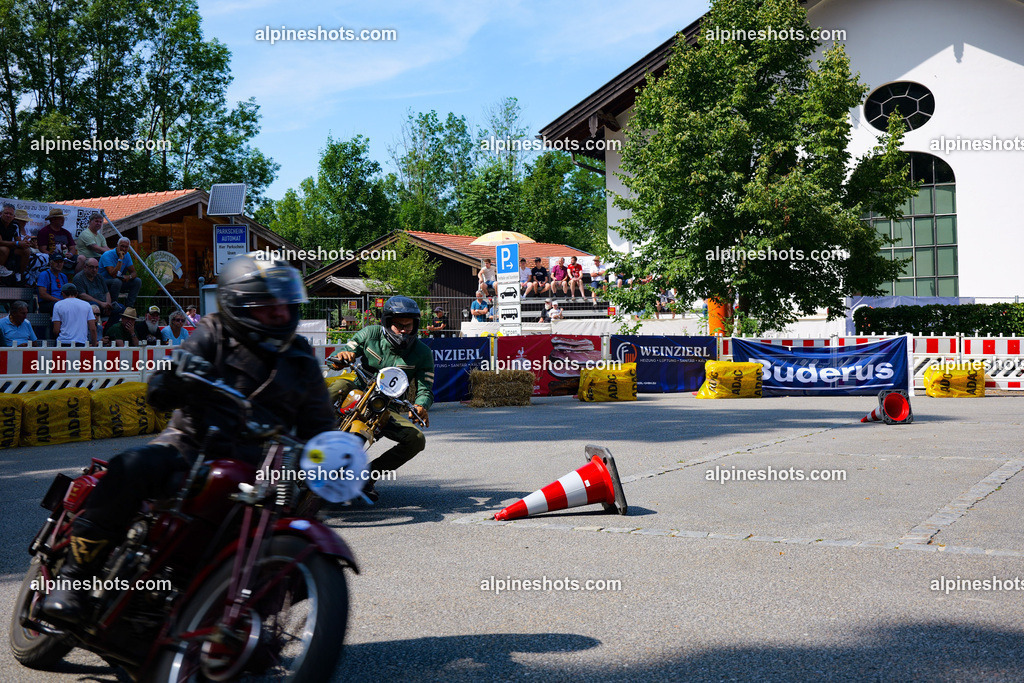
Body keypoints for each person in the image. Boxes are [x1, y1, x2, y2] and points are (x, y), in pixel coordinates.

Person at [41, 252, 337, 625]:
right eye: (267, 304)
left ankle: (237, 624)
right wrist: (174, 378)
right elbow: (167, 379)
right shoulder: (214, 331)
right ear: (239, 303)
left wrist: (334, 455)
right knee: (132, 466)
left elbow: (320, 424)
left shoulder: (300, 357)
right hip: (191, 446)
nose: (280, 312)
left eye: (285, 302)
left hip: (260, 469)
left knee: (297, 543)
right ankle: (73, 579)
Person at [328, 296, 433, 501]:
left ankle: (367, 476)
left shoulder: (423, 352)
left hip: (386, 406)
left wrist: (421, 405)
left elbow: (425, 389)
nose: (403, 331)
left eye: (408, 326)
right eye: (398, 325)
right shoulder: (370, 333)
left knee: (416, 439)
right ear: (387, 322)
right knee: (339, 386)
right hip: (357, 388)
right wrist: (341, 358)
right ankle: (300, 430)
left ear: (415, 325)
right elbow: (344, 352)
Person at [37, 208, 85, 273]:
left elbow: (73, 247)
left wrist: (70, 254)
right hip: (52, 258)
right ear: (53, 220)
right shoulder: (44, 232)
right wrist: (53, 255)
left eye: (63, 218)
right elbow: (42, 249)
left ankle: (76, 277)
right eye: (60, 218)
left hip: (66, 258)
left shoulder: (66, 232)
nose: (63, 220)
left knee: (82, 258)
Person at [99, 237, 141, 308]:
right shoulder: (107, 255)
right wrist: (120, 259)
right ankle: (114, 305)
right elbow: (112, 273)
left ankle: (129, 307)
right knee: (117, 281)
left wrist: (129, 277)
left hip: (118, 280)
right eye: (122, 246)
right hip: (104, 282)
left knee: (137, 281)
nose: (124, 249)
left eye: (126, 247)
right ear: (117, 246)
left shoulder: (127, 255)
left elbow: (134, 272)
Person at [0, 202, 30, 282]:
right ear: (1, 213)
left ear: (14, 216)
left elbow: (18, 241)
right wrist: (17, 243)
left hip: (9, 247)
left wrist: (25, 243)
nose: (8, 215)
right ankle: (1, 269)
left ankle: (19, 275)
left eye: (11, 214)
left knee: (26, 251)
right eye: (6, 213)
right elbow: (0, 242)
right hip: (3, 248)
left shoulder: (15, 225)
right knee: (4, 249)